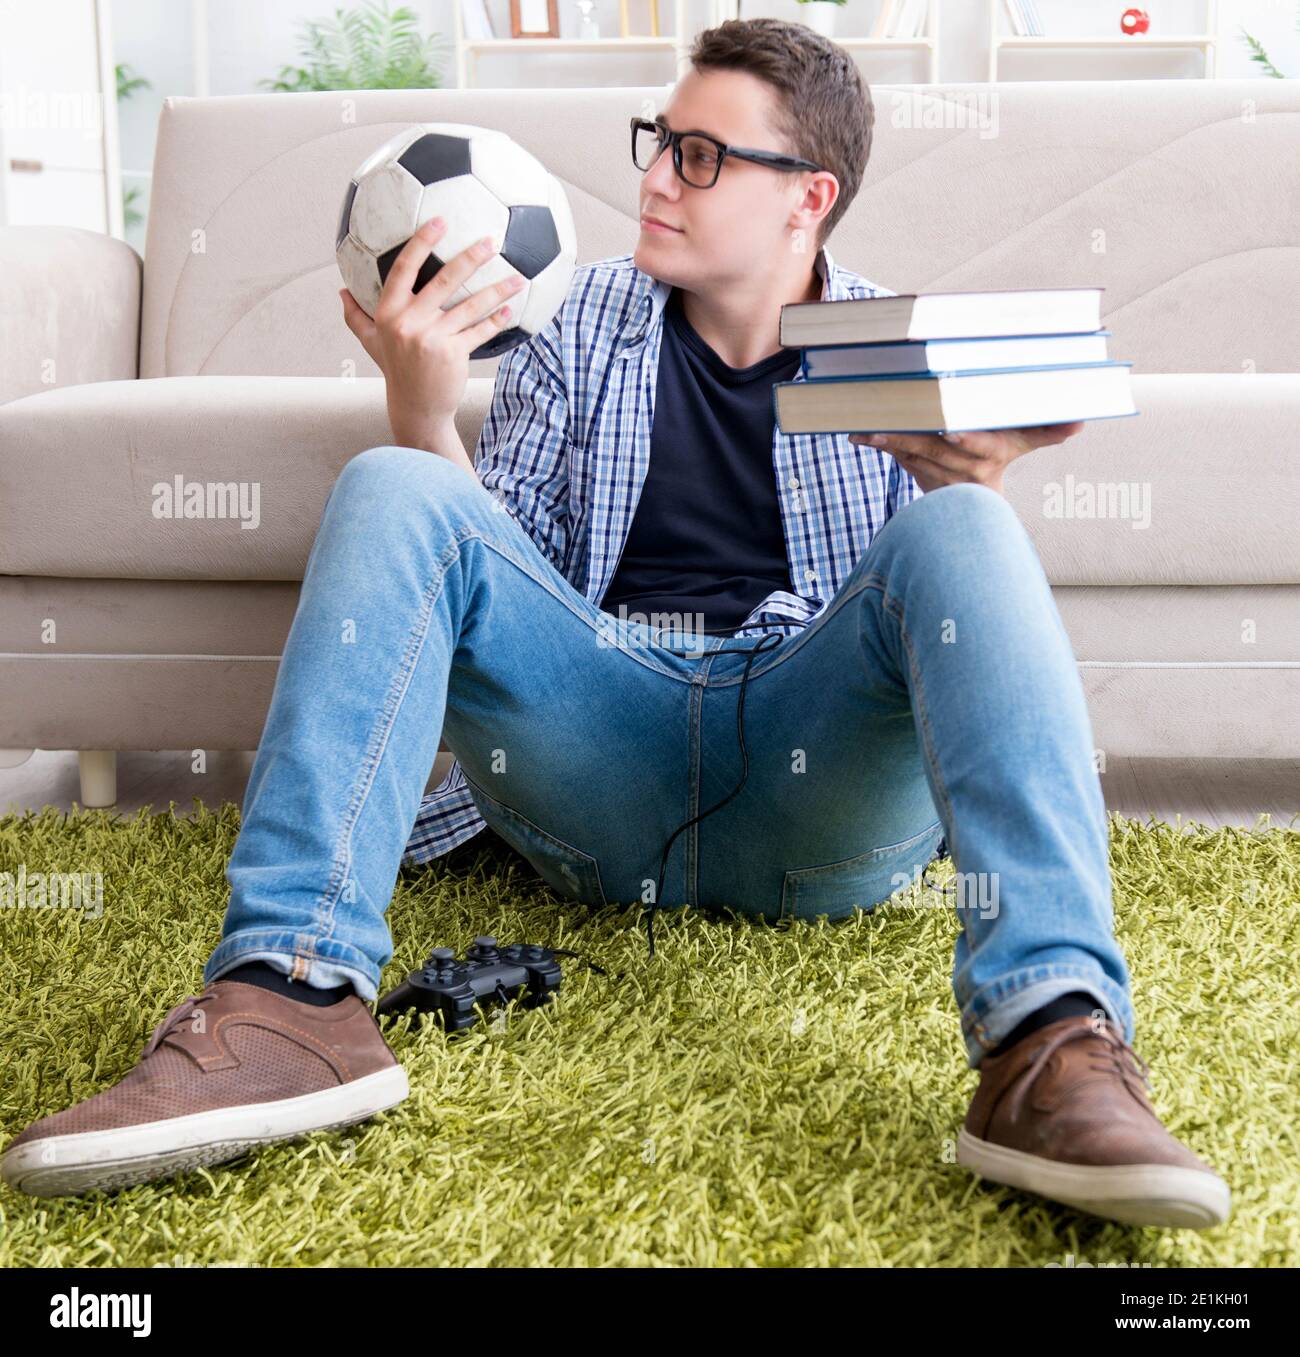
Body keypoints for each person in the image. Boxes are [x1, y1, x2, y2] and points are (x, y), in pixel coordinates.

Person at [2, 18, 1229, 1230]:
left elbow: (909, 648)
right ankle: (290, 999)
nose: (652, 177)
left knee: (968, 531)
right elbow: (489, 591)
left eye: (700, 156)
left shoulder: (894, 347)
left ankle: (1047, 1041)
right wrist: (423, 415)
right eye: (658, 140)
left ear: (809, 197)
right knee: (396, 483)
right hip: (599, 758)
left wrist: (971, 491)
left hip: (814, 797)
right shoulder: (572, 325)